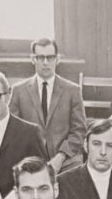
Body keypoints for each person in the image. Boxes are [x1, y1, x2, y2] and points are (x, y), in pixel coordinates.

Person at [9, 38, 87, 174]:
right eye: (40, 57)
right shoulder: (18, 91)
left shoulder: (73, 90)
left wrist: (60, 157)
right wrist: (31, 161)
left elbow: (79, 131)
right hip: (29, 161)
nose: (45, 62)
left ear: (57, 59)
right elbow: (12, 131)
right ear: (32, 59)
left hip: (66, 161)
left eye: (50, 57)